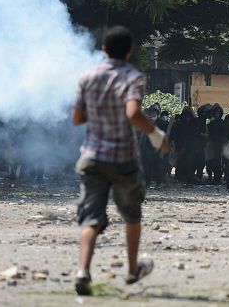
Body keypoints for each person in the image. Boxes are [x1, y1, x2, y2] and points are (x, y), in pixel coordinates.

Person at [70, 26, 170, 296]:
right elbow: (133, 112)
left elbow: (77, 119)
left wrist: (99, 114)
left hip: (91, 156)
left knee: (91, 218)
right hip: (123, 159)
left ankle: (83, 271)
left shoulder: (87, 76)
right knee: (132, 215)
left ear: (103, 49)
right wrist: (156, 135)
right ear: (129, 51)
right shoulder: (132, 76)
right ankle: (131, 269)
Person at [205, 104, 226, 184]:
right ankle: (212, 177)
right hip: (212, 145)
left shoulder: (223, 124)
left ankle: (217, 178)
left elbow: (225, 135)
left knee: (218, 163)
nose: (217, 114)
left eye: (219, 113)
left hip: (220, 145)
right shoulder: (211, 124)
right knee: (211, 162)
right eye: (216, 113)